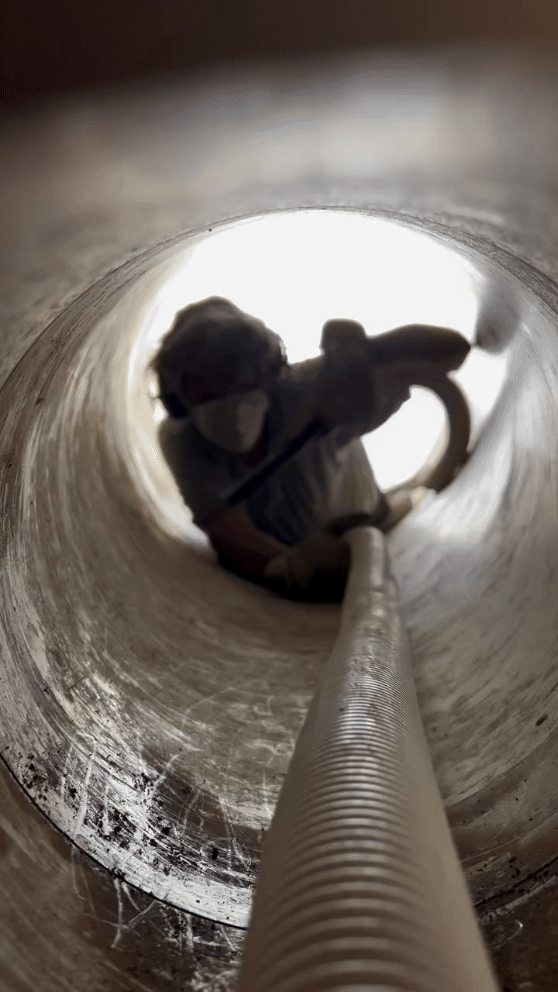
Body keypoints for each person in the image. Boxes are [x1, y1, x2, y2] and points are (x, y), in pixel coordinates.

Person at [153, 296, 469, 601]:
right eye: (206, 393)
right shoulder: (182, 441)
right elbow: (224, 526)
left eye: (237, 381)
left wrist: (366, 353)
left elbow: (452, 349)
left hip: (375, 533)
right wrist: (291, 567)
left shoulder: (308, 388)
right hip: (283, 579)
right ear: (178, 398)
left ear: (267, 374)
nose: (228, 404)